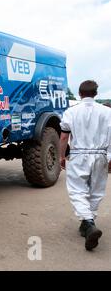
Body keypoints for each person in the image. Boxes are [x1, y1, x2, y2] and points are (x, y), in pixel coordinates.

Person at [59, 80, 111, 251]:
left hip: (79, 155)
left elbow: (64, 137)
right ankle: (88, 223)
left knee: (77, 190)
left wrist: (61, 156)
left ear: (80, 94)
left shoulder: (71, 112)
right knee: (96, 190)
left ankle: (88, 223)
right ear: (96, 94)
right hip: (101, 155)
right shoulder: (107, 112)